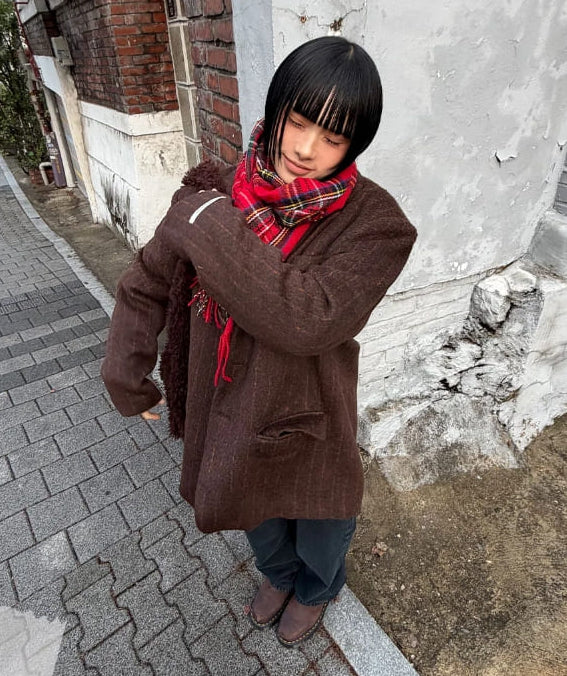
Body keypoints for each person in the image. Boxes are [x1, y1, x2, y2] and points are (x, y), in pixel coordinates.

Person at [102, 35, 417, 648]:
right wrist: (126, 373)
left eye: (332, 138)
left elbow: (309, 319)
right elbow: (145, 282)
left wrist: (206, 224)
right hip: (228, 403)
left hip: (308, 410)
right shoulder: (216, 187)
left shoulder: (377, 225)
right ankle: (278, 575)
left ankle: (317, 588)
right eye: (297, 123)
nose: (305, 149)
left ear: (355, 144)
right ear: (275, 113)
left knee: (321, 516)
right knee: (254, 510)